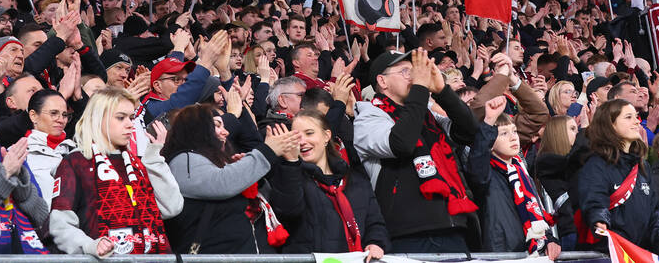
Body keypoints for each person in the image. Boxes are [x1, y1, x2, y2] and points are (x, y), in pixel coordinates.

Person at [353, 49, 477, 253]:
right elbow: (401, 143)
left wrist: (443, 91)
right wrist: (419, 86)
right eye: (405, 72)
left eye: (416, 71)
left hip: (453, 228)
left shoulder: (427, 115)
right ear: (382, 82)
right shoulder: (368, 116)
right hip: (408, 234)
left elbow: (470, 132)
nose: (415, 76)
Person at [49, 87, 183, 256]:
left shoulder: (135, 162)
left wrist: (155, 159)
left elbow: (171, 207)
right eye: (121, 117)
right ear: (99, 119)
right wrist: (89, 246)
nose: (130, 124)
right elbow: (60, 224)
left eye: (131, 117)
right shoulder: (76, 162)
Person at [161, 103, 293, 254]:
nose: (226, 132)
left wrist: (243, 170)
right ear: (197, 129)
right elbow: (221, 183)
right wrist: (266, 152)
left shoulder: (215, 163)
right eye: (217, 125)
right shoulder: (184, 160)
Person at [574, 99, 659, 262]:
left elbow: (653, 223)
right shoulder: (596, 164)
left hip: (636, 256)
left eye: (636, 116)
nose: (637, 121)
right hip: (607, 256)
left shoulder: (643, 167)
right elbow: (594, 202)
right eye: (628, 117)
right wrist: (599, 221)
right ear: (610, 124)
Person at [270, 109, 389, 257]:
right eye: (296, 136)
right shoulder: (289, 176)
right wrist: (291, 163)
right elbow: (288, 211)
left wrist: (375, 243)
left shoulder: (355, 179)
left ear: (326, 136)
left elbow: (375, 223)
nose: (302, 142)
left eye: (309, 133)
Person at [467, 96, 559, 258]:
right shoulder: (484, 171)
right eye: (503, 133)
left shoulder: (521, 172)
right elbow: (478, 154)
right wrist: (489, 120)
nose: (513, 137)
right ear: (489, 140)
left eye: (514, 131)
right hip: (501, 253)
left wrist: (550, 239)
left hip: (532, 252)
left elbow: (534, 210)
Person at [0, 82, 49, 254]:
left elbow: (42, 215)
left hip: (25, 253)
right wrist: (4, 174)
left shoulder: (10, 155)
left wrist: (19, 179)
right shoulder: (8, 162)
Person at [25, 89, 76, 204]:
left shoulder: (75, 152)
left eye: (64, 115)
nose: (61, 120)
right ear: (33, 116)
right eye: (53, 113)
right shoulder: (20, 154)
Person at [535, 116, 578, 250]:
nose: (577, 133)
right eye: (572, 129)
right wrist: (588, 132)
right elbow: (571, 162)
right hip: (572, 231)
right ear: (558, 133)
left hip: (589, 228)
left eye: (577, 129)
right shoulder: (545, 160)